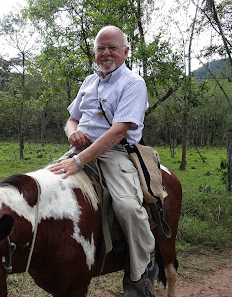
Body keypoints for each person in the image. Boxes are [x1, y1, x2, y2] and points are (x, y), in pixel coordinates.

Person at [48, 25, 157, 297]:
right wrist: (73, 134)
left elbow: (119, 130)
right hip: (80, 150)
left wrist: (79, 161)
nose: (106, 53)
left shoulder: (134, 83)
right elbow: (72, 118)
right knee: (42, 186)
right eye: (101, 48)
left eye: (113, 48)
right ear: (95, 52)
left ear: (125, 51)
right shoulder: (89, 81)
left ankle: (140, 273)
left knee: (129, 208)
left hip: (115, 153)